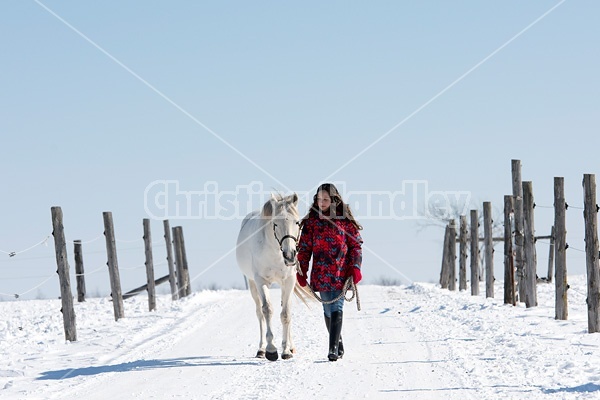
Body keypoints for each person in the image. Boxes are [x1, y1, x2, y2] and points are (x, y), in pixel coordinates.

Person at [296, 183, 363, 361]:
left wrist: (356, 267)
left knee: (337, 307)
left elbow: (355, 246)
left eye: (325, 199)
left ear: (333, 199)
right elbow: (304, 249)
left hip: (341, 272)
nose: (322, 202)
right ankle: (337, 340)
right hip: (321, 272)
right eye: (319, 199)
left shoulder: (344, 220)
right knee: (327, 307)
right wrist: (302, 270)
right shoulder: (311, 222)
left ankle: (332, 348)